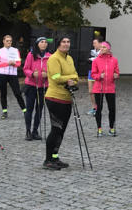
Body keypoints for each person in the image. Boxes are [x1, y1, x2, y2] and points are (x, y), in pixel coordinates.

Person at [43, 36, 79, 170]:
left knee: (61, 131)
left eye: (68, 42)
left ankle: (55, 156)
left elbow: (76, 76)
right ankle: (48, 160)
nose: (66, 44)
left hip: (67, 98)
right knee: (56, 129)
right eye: (63, 42)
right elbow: (56, 77)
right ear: (58, 44)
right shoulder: (54, 58)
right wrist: (70, 78)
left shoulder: (69, 59)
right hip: (54, 98)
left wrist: (72, 79)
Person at [22, 37, 51, 141]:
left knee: (39, 109)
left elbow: (53, 71)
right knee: (29, 109)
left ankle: (35, 130)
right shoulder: (31, 55)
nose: (44, 44)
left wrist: (47, 74)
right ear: (37, 44)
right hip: (31, 85)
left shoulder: (50, 56)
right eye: (41, 42)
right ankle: (28, 131)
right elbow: (25, 69)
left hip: (43, 86)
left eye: (45, 42)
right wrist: (32, 74)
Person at [0, 34, 26, 119]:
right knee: (3, 93)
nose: (9, 42)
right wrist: (7, 63)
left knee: (17, 93)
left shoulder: (15, 50)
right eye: (7, 41)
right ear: (3, 41)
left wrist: (14, 63)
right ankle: (4, 112)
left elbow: (19, 63)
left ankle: (25, 110)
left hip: (12, 74)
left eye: (10, 41)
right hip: (1, 74)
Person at [91, 41, 119, 137]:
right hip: (99, 88)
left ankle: (111, 128)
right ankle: (99, 129)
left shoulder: (114, 60)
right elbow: (93, 74)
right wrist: (99, 76)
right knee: (99, 109)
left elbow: (117, 72)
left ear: (108, 48)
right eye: (101, 47)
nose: (102, 49)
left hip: (110, 88)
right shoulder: (96, 60)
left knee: (112, 109)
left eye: (104, 47)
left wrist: (116, 75)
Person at [87, 37, 101, 115]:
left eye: (95, 43)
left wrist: (94, 60)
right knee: (91, 91)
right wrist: (92, 60)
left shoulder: (103, 52)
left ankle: (98, 108)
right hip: (91, 72)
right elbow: (87, 60)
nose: (93, 44)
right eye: (93, 43)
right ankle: (94, 107)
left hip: (98, 73)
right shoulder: (91, 51)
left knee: (97, 91)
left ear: (100, 43)